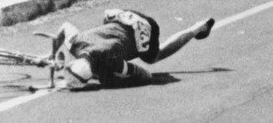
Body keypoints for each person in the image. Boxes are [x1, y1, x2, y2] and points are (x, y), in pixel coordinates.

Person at [53, 9, 215, 89]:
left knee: (154, 57)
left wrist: (117, 80)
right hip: (121, 14)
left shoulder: (113, 63)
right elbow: (65, 26)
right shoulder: (75, 43)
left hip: (143, 28)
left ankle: (197, 28)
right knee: (107, 28)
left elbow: (145, 75)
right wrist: (52, 55)